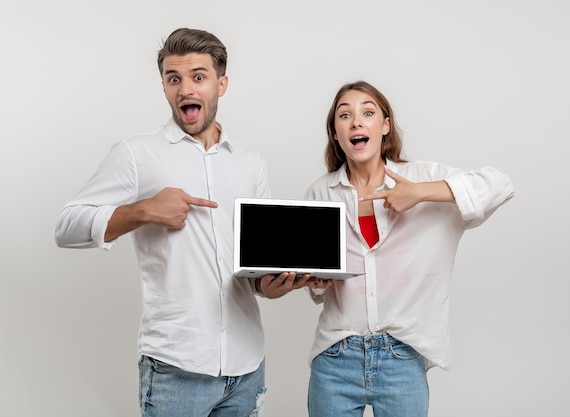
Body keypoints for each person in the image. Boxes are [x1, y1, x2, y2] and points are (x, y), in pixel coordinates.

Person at [54, 27, 307, 417]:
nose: (185, 88)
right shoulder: (137, 154)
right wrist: (143, 211)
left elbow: (253, 267)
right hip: (176, 368)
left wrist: (270, 286)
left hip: (246, 367)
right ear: (164, 86)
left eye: (198, 77)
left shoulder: (251, 163)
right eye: (174, 79)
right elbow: (66, 227)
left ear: (221, 85)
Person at [304, 80, 515, 417]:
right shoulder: (320, 193)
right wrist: (316, 281)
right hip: (335, 357)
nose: (356, 122)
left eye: (368, 112)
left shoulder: (422, 177)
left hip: (402, 358)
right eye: (345, 115)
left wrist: (419, 193)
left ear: (385, 126)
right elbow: (320, 286)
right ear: (335, 133)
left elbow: (500, 185)